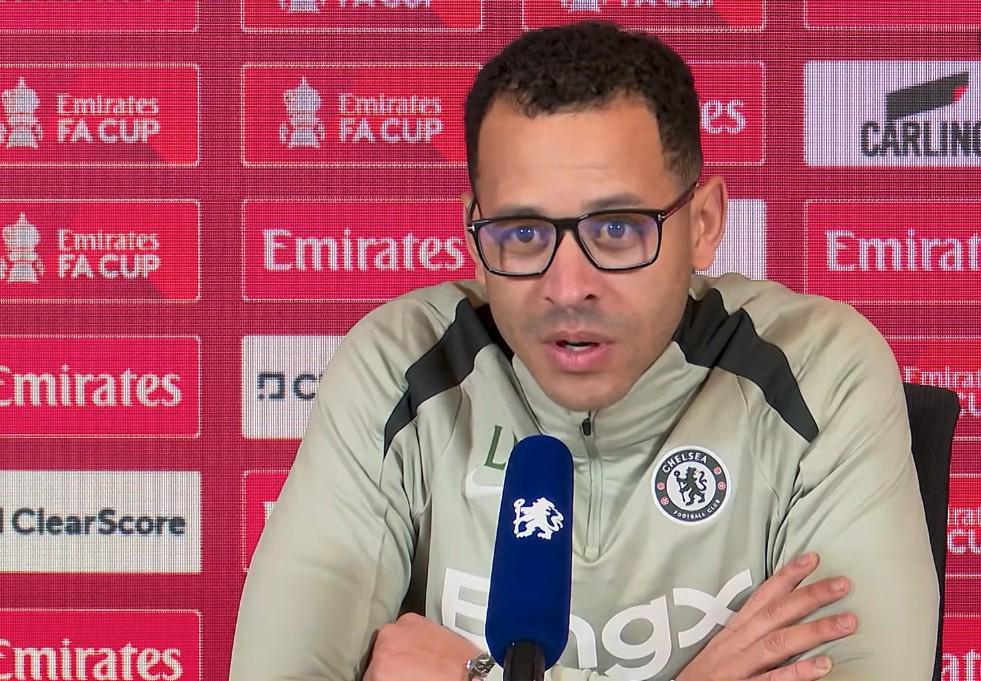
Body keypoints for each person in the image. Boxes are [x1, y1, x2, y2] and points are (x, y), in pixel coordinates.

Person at [229, 21, 938, 681]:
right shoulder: (399, 367)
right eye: (522, 234)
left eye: (618, 229)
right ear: (475, 234)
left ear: (702, 224)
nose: (568, 288)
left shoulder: (820, 370)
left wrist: (478, 675)